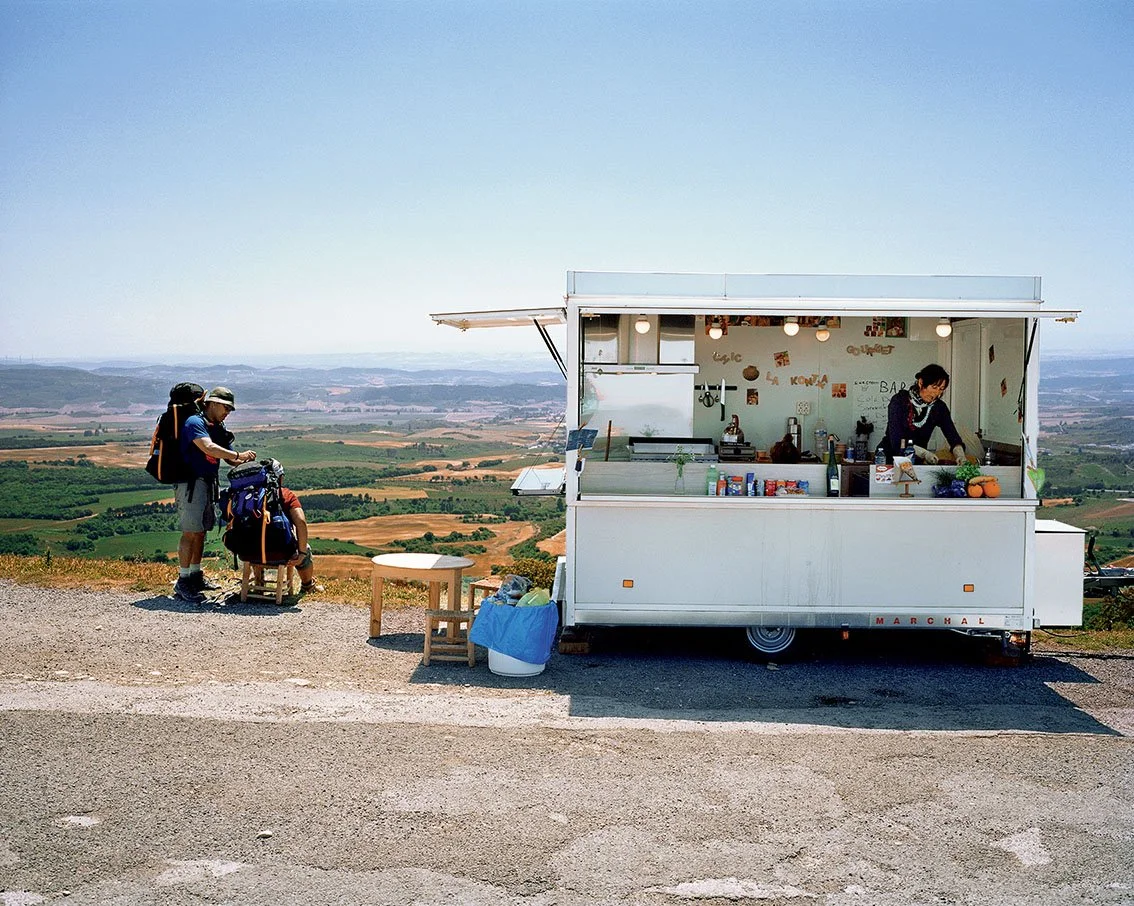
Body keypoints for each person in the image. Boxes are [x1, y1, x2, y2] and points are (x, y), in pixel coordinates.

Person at [173, 387, 256, 600]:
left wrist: (249, 463)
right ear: (212, 403)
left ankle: (195, 575)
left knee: (201, 531)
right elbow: (208, 447)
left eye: (230, 408)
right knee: (190, 532)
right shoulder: (195, 423)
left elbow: (229, 459)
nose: (228, 411)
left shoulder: (218, 427)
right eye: (225, 407)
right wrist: (239, 454)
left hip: (208, 482)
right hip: (190, 484)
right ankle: (182, 581)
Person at [883, 364, 967, 465]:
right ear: (921, 382)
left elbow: (953, 436)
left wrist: (960, 455)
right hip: (889, 460)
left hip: (916, 463)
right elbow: (897, 441)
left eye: (941, 389)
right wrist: (924, 453)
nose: (937, 393)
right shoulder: (899, 401)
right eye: (934, 387)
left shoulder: (939, 407)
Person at [278, 486, 322, 593]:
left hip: (248, 552)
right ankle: (307, 586)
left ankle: (258, 582)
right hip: (280, 553)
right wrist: (301, 553)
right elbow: (301, 522)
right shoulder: (286, 494)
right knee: (305, 549)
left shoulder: (247, 494)